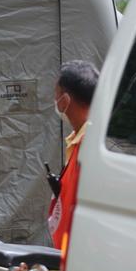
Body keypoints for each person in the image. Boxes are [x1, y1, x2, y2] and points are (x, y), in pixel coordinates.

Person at [48, 60, 98, 251]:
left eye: (56, 95)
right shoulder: (78, 142)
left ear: (65, 100)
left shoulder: (92, 146)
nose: (55, 100)